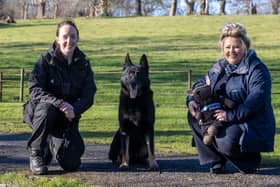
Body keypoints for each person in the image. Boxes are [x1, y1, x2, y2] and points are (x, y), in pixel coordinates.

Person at [187, 22, 275, 174]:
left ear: (245, 46)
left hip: (248, 122)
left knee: (227, 140)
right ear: (222, 48)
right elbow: (200, 84)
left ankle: (249, 161)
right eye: (227, 47)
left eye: (236, 46)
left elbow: (255, 101)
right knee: (194, 116)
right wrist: (192, 101)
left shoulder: (256, 69)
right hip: (221, 117)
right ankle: (216, 161)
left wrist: (229, 115)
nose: (231, 51)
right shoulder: (219, 67)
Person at [23, 20, 97, 175]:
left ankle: (51, 142)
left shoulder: (84, 65)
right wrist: (60, 103)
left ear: (78, 38)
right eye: (65, 36)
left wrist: (74, 109)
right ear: (57, 39)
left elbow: (89, 95)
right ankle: (36, 153)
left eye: (73, 36)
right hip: (42, 115)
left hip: (66, 120)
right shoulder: (44, 61)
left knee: (71, 164)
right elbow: (34, 90)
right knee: (47, 108)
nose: (69, 40)